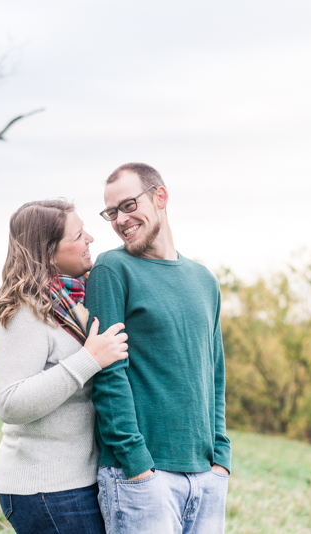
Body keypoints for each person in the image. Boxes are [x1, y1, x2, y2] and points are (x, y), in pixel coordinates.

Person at [85, 163, 232, 534]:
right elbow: (108, 374)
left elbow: (213, 373)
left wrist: (221, 459)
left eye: (129, 205)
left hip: (206, 477)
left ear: (160, 196)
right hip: (141, 478)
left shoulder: (204, 280)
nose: (120, 219)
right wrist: (137, 464)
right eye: (112, 212)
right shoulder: (112, 269)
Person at [0, 199, 129, 534]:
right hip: (45, 488)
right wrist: (89, 359)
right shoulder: (24, 309)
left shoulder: (73, 303)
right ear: (49, 251)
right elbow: (9, 403)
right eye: (79, 235)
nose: (91, 239)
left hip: (76, 481)